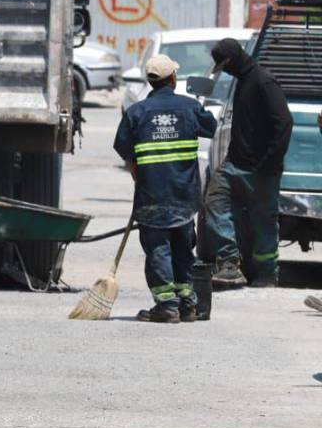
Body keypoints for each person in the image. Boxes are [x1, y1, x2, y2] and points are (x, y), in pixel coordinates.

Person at [114, 55, 217, 323]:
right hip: (184, 195)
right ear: (172, 79)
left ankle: (168, 305)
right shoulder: (189, 107)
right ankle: (187, 305)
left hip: (152, 195)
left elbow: (124, 150)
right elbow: (212, 127)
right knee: (184, 248)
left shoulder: (136, 112)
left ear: (150, 81)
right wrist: (198, 108)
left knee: (158, 249)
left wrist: (137, 172)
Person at [203, 37, 293, 288]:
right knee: (214, 201)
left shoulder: (263, 80)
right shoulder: (243, 80)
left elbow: (284, 123)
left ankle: (266, 273)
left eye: (224, 66)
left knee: (263, 220)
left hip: (262, 169)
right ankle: (230, 263)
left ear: (231, 60)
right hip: (235, 164)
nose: (225, 72)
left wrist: (269, 162)